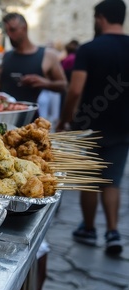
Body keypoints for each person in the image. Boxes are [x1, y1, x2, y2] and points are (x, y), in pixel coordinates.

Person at [57, 0, 129, 255]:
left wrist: (65, 120)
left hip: (89, 125)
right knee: (113, 181)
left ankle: (88, 228)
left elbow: (75, 89)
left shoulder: (89, 49)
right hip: (123, 125)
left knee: (89, 180)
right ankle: (112, 232)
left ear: (100, 18)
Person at [0, 13, 67, 103]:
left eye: (13, 30)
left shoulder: (47, 55)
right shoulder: (6, 56)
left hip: (32, 114)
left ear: (24, 28)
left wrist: (46, 83)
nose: (9, 35)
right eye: (7, 31)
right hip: (6, 113)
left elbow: (63, 85)